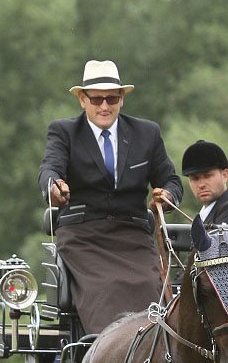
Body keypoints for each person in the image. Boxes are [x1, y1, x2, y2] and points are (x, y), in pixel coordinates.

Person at [38, 59, 183, 334]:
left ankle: (151, 358)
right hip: (84, 236)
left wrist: (167, 197)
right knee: (105, 289)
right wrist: (54, 188)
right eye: (96, 99)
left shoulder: (147, 133)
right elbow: (49, 169)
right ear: (83, 99)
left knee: (147, 289)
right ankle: (105, 359)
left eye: (112, 98)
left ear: (122, 99)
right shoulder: (64, 132)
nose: (105, 106)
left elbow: (171, 181)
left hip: (132, 235)